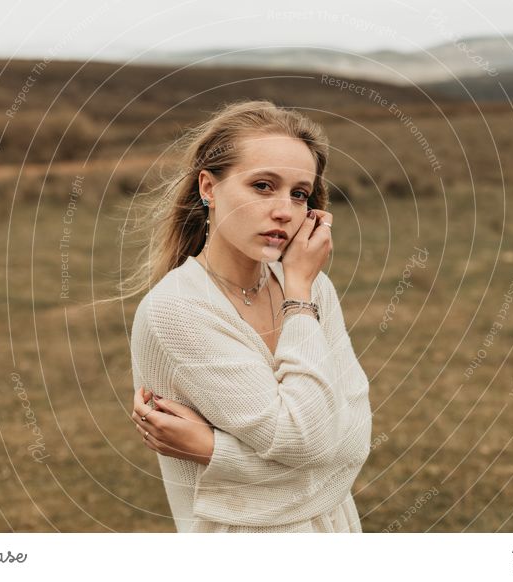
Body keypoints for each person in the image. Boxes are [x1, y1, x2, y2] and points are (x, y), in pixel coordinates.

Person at [126, 99, 372, 532]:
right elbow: (308, 441)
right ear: (208, 187)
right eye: (262, 185)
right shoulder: (178, 310)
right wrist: (299, 297)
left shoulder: (314, 286)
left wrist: (216, 452)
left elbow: (353, 443)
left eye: (299, 194)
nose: (284, 210)